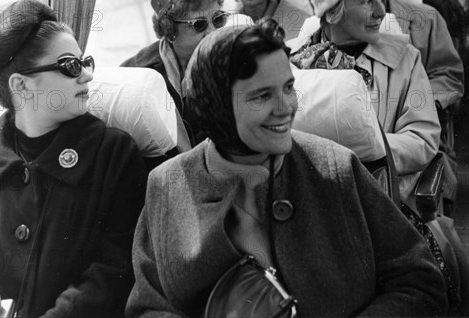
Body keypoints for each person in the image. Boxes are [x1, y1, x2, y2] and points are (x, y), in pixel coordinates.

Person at [125, 19, 447, 317]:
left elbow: (419, 281)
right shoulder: (168, 185)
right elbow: (149, 307)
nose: (286, 107)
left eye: (289, 88)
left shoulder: (336, 167)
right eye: (262, 96)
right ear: (218, 106)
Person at [0, 0, 147, 317]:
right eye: (70, 66)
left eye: (85, 62)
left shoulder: (113, 155)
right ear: (21, 85)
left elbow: (114, 270)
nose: (87, 75)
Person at [289, 0, 441, 208]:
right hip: (304, 197)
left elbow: (423, 138)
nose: (381, 12)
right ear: (334, 9)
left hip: (384, 200)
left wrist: (366, 147)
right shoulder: (290, 62)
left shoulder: (405, 59)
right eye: (367, 1)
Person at [120, 0, 227, 146]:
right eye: (199, 24)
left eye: (218, 19)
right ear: (170, 30)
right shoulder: (139, 76)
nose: (212, 32)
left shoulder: (229, 57)